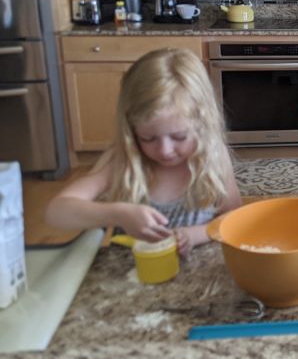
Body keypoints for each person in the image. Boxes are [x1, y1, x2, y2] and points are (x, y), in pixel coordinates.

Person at [46, 48, 241, 256]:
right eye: (148, 138)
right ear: (131, 128)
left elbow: (234, 216)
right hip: (132, 275)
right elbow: (56, 212)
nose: (165, 151)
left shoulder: (213, 157)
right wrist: (117, 214)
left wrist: (196, 234)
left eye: (179, 137)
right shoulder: (123, 161)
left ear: (203, 124)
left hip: (197, 273)